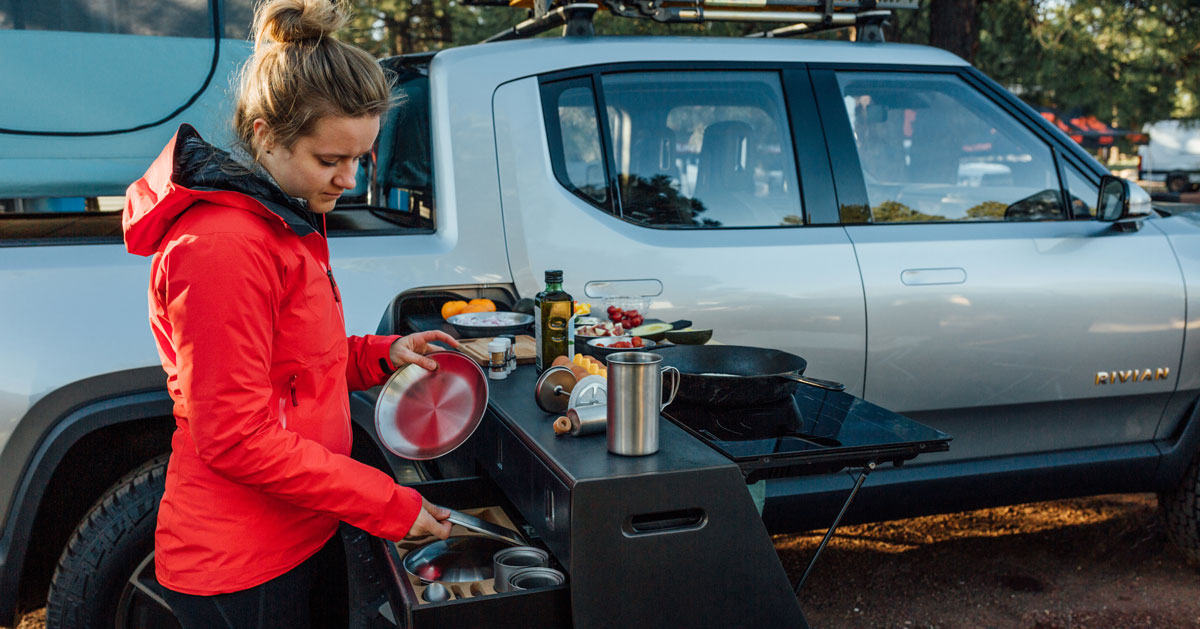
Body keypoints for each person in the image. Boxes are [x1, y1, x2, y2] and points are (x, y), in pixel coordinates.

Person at [121, 0, 454, 625]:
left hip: (304, 528)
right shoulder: (222, 247)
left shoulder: (286, 221)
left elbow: (296, 369)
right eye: (330, 160)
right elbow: (235, 437)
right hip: (239, 561)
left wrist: (382, 356)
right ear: (265, 137)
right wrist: (386, 502)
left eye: (361, 158)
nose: (348, 180)